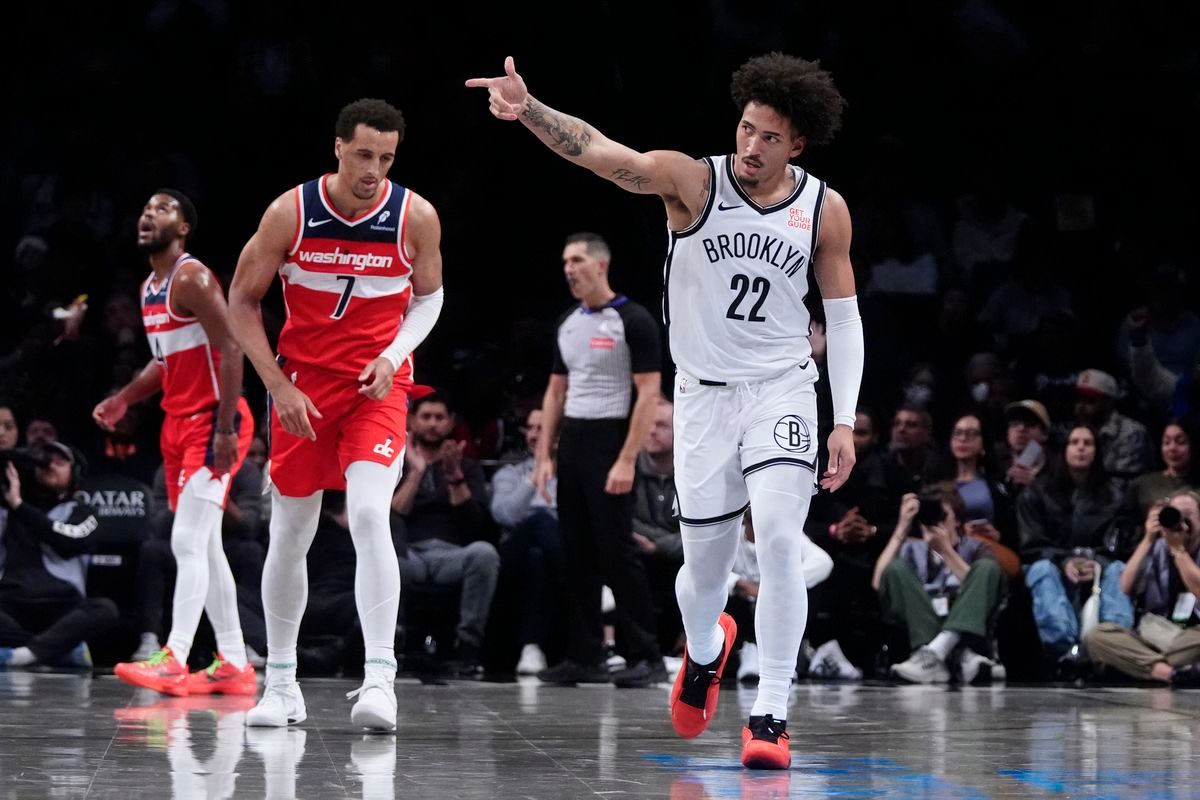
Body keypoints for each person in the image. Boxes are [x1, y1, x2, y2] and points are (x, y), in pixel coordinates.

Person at [468, 52, 864, 770]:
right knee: (704, 576)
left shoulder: (823, 208)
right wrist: (529, 109)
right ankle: (706, 649)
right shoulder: (695, 181)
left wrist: (843, 416)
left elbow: (844, 317)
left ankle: (771, 712)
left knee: (777, 540)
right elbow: (602, 155)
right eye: (746, 129)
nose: (751, 146)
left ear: (797, 145)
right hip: (705, 399)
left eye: (770, 138)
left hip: (781, 386)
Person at [228, 98, 444, 731]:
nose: (374, 169)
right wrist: (277, 386)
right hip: (302, 392)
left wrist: (394, 354)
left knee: (371, 514)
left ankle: (381, 680)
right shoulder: (290, 213)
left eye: (386, 157)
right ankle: (282, 685)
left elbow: (429, 301)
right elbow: (242, 301)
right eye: (364, 155)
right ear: (339, 148)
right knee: (290, 534)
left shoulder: (416, 216)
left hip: (377, 390)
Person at [94, 190, 256, 696]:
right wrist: (124, 398)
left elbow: (232, 346)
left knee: (186, 540)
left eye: (162, 209)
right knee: (204, 546)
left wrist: (226, 428)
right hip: (177, 424)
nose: (148, 214)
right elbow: (165, 364)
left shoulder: (191, 276)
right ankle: (233, 660)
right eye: (144, 208)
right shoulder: (149, 288)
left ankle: (175, 655)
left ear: (183, 227)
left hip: (213, 422)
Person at [525, 232, 666, 690]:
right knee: (577, 552)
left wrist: (627, 459)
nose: (569, 267)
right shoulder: (568, 323)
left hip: (612, 437)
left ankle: (646, 654)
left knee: (617, 551)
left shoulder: (633, 319)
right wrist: (545, 455)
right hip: (576, 441)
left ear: (601, 265)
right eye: (565, 260)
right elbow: (555, 392)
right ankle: (583, 655)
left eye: (578, 259)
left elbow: (648, 393)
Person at [872, 483, 1005, 685]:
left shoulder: (976, 547)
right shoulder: (911, 549)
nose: (935, 521)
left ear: (957, 520)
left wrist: (946, 552)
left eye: (941, 515)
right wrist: (902, 526)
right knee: (895, 569)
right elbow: (878, 582)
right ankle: (955, 657)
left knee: (988, 568)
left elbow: (983, 590)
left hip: (962, 616)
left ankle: (941, 651)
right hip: (924, 619)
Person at [0, 441, 117, 669]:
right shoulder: (8, 510)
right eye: (43, 461)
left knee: (104, 609)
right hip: (11, 604)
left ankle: (22, 655)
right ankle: (54, 651)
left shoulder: (82, 511)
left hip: (62, 607)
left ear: (74, 473)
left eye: (60, 462)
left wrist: (19, 506)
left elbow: (72, 540)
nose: (50, 465)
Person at [1086, 490, 1200, 686]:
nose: (1181, 520)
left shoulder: (1178, 548)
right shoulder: (1158, 547)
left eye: (1188, 514)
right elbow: (1125, 586)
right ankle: (1172, 673)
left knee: (1182, 645)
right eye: (1175, 513)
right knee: (1097, 636)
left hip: (1193, 637)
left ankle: (1138, 665)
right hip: (1156, 633)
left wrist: (1179, 550)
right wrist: (1148, 538)